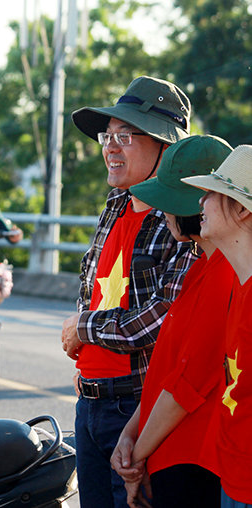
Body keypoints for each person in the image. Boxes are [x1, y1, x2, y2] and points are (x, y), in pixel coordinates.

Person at [59, 75, 198, 508]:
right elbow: (94, 289)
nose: (110, 147)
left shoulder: (184, 217)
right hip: (88, 402)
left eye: (127, 136)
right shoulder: (115, 204)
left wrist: (84, 328)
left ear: (165, 146)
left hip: (141, 406)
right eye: (107, 136)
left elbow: (162, 319)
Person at [107, 135, 234, 508]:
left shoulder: (227, 274)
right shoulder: (201, 267)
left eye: (167, 203)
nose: (163, 213)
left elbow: (188, 383)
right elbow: (167, 372)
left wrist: (135, 454)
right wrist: (131, 437)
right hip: (166, 453)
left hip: (192, 461)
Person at [181, 145, 252, 508]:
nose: (201, 203)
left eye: (212, 193)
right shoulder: (240, 285)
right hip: (232, 479)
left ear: (241, 208)